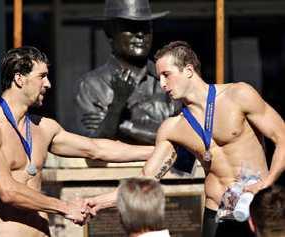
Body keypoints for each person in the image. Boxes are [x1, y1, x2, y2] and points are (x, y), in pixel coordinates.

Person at [86, 41, 285, 237]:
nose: (162, 84)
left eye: (166, 75)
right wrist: (100, 202)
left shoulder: (238, 95)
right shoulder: (172, 127)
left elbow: (282, 137)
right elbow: (146, 177)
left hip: (254, 205)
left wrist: (268, 182)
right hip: (216, 212)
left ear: (188, 70)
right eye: (159, 77)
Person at [0, 46, 154, 237]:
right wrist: (65, 207)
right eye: (42, 76)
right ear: (19, 79)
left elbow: (96, 148)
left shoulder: (44, 127)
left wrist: (158, 151)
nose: (48, 84)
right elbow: (8, 191)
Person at [73, 0, 176, 145]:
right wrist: (117, 105)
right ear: (110, 33)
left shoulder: (170, 79)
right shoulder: (91, 85)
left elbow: (183, 135)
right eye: (131, 27)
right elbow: (95, 146)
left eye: (146, 28)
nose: (140, 34)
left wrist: (122, 125)